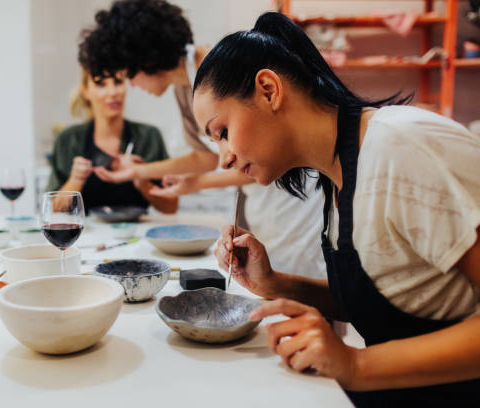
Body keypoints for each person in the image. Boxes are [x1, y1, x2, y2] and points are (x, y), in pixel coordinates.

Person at [194, 11, 480, 406]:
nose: (223, 158)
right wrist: (274, 282)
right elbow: (388, 296)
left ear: (268, 89)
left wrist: (355, 364)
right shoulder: (336, 173)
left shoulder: (401, 146)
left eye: (222, 131)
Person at [79, 0, 325, 279]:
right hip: (264, 201)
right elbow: (206, 158)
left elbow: (254, 156)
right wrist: (138, 171)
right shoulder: (187, 85)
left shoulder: (215, 76)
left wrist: (197, 183)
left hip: (290, 199)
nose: (132, 86)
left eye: (128, 77)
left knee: (302, 287)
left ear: (144, 61)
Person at [46, 68, 178, 214]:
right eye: (101, 84)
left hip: (136, 234)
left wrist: (141, 179)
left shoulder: (149, 137)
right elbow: (52, 211)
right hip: (87, 234)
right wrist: (75, 180)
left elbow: (171, 207)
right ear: (86, 91)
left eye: (118, 82)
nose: (113, 92)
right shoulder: (68, 139)